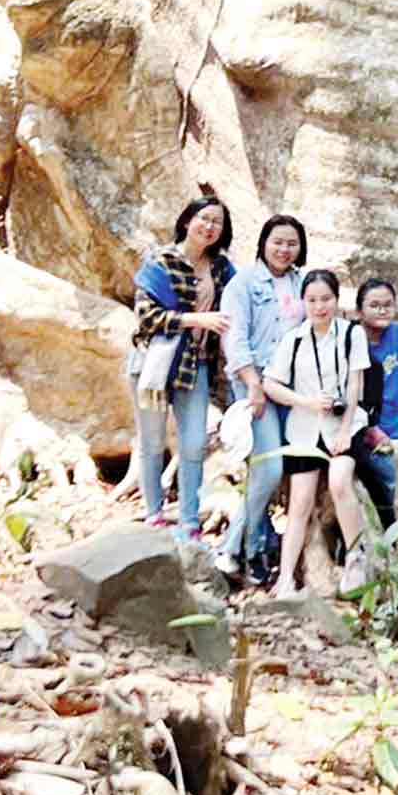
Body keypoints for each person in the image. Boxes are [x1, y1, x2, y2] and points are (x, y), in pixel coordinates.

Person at [130, 191, 236, 544]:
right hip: (153, 365)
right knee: (152, 440)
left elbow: (241, 301)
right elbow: (147, 318)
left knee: (193, 445)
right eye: (204, 218)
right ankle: (154, 515)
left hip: (196, 367)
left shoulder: (222, 269)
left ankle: (189, 520)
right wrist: (197, 319)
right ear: (188, 221)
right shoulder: (160, 262)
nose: (209, 226)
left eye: (217, 222)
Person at [262, 267, 371, 596]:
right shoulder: (293, 338)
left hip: (343, 426)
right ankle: (284, 579)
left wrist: (346, 430)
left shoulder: (352, 334)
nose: (319, 306)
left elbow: (355, 384)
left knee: (339, 482)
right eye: (312, 300)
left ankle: (356, 557)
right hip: (304, 429)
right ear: (303, 302)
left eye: (326, 299)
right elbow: (271, 383)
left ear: (336, 300)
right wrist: (307, 402)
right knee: (300, 503)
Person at [219, 213, 308, 583]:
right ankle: (239, 547)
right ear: (263, 243)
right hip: (256, 386)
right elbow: (234, 338)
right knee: (268, 468)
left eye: (291, 243)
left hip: (291, 390)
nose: (284, 250)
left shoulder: (301, 282)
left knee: (276, 471)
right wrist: (252, 384)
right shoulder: (243, 284)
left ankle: (251, 545)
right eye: (278, 242)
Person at [352, 276, 398, 523]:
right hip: (369, 434)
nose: (382, 310)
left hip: (397, 427)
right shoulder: (352, 342)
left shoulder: (396, 333)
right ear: (359, 311)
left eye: (388, 304)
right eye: (374, 305)